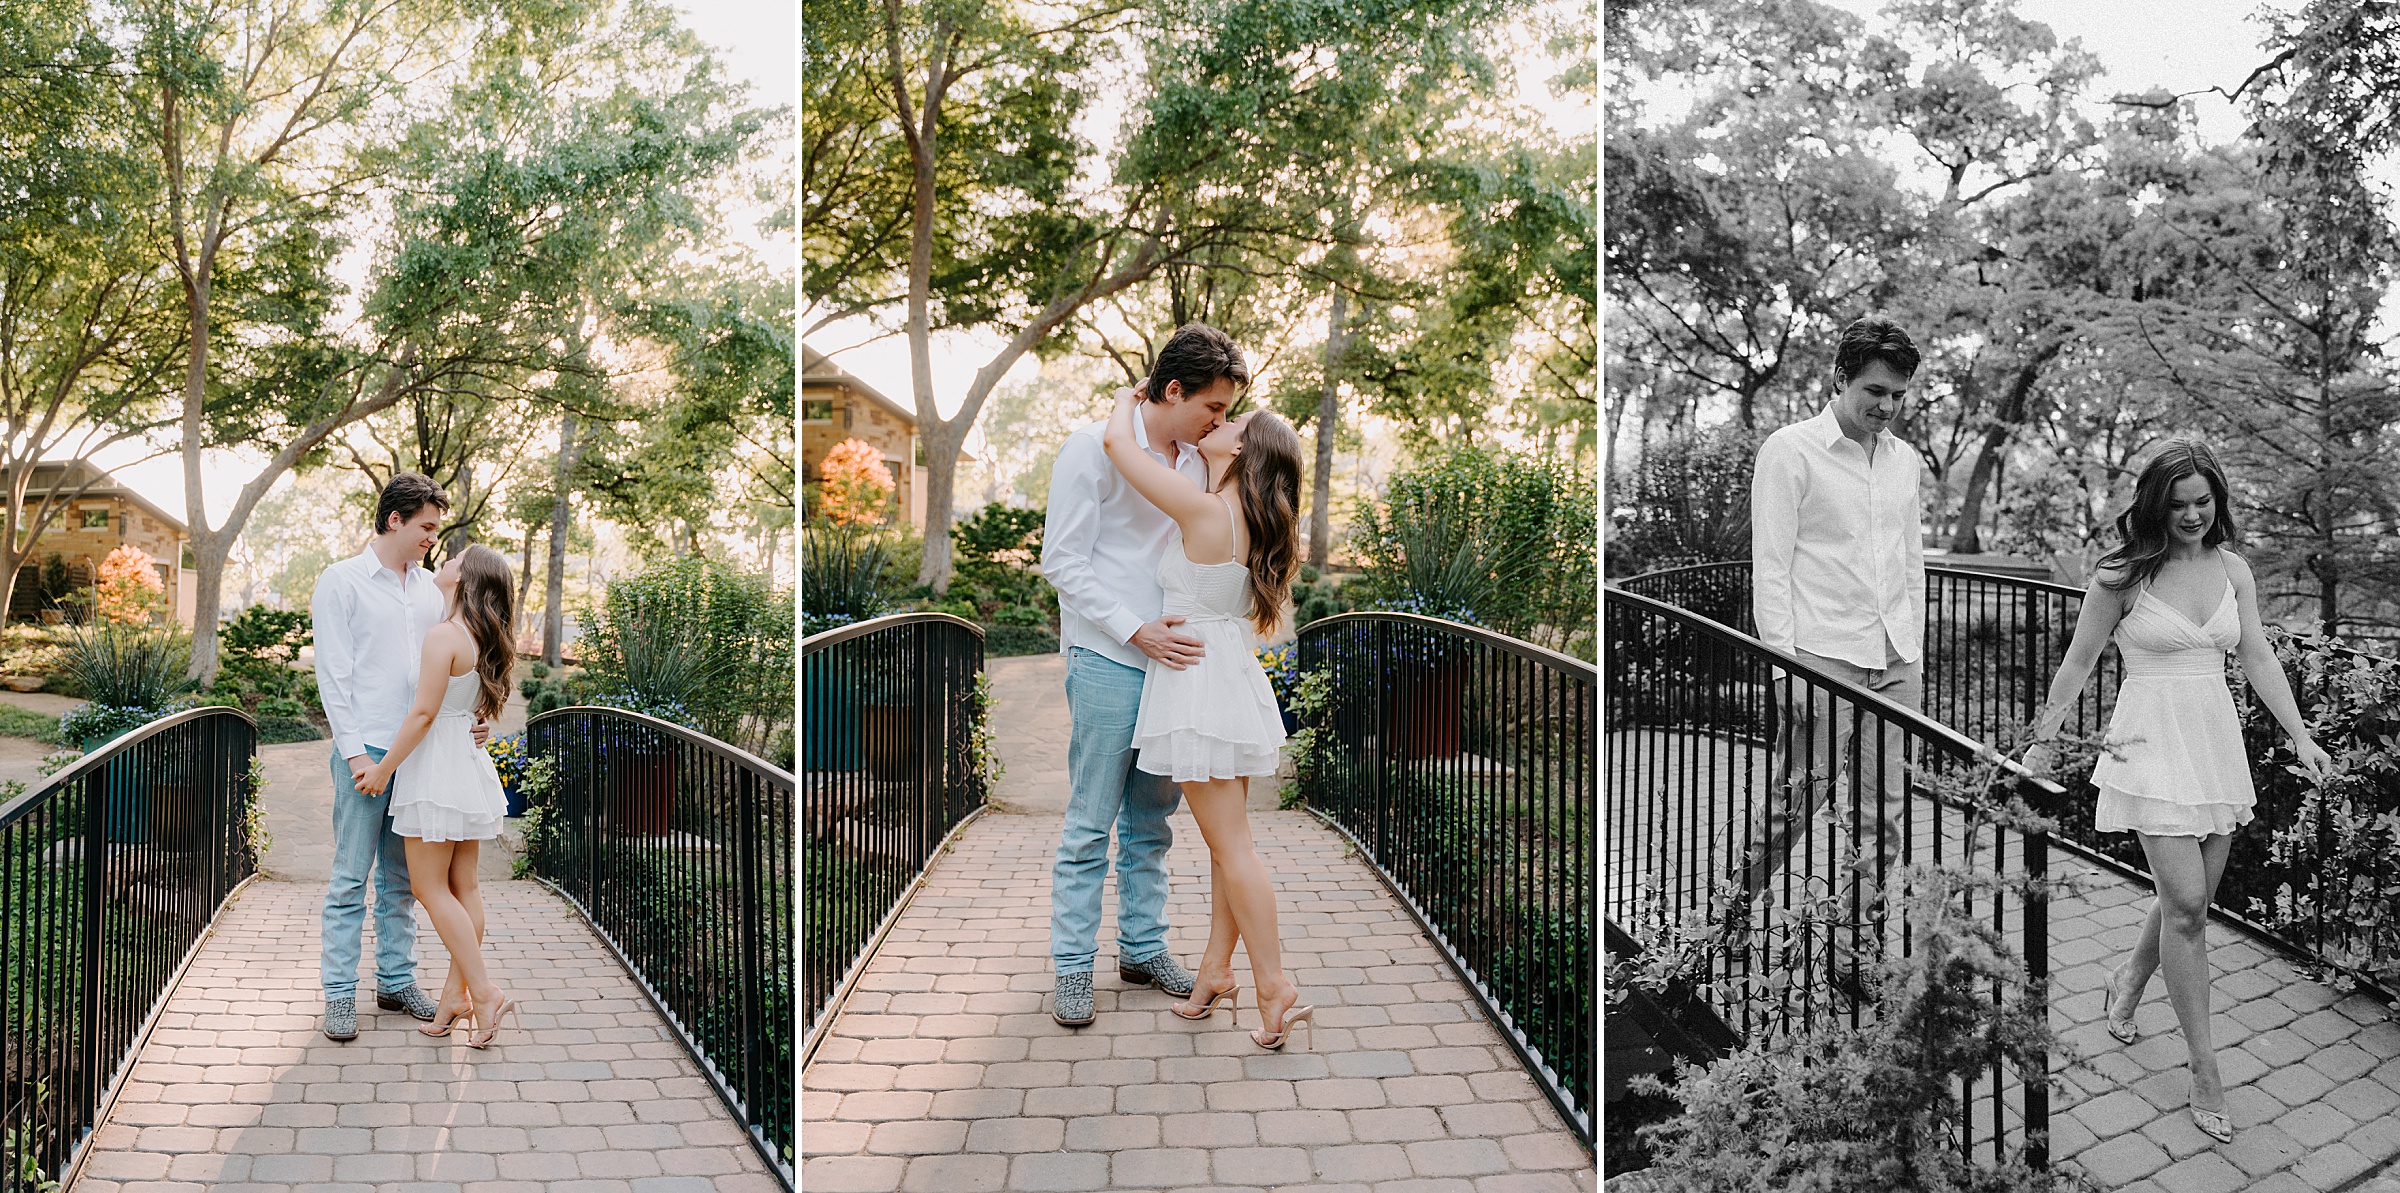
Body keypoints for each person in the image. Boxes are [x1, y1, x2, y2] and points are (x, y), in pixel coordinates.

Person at [2023, 441, 2330, 1143]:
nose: (2192, 514)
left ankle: (2130, 977)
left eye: (2204, 500)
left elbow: (2254, 653)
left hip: (2214, 743)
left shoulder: (2233, 570)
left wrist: (2301, 736)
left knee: (2185, 900)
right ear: (2155, 503)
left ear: (2218, 499)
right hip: (2150, 743)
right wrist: (2046, 739)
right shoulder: (2122, 574)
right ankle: (2204, 1065)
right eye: (2178, 502)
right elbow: (2077, 662)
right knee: (2189, 906)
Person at [1038, 323, 1245, 1027]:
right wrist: (1134, 628)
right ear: (1173, 389)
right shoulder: (1088, 449)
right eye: (1212, 407)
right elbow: (1062, 562)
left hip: (1175, 668)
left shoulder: (1194, 462)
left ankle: (1142, 948)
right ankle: (1072, 965)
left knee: (1153, 821)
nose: (1220, 422)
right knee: (1091, 821)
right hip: (1108, 656)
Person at [1100, 380, 1311, 1049]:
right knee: (1226, 849)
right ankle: (1217, 973)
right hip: (1225, 674)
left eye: (1232, 418)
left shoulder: (1207, 510)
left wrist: (1125, 399)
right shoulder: (1242, 515)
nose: (1220, 419)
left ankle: (1275, 985)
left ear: (1244, 449)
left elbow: (1115, 446)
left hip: (1197, 682)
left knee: (1233, 848)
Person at [1739, 317, 1927, 948]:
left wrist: (1915, 651)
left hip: (1895, 662)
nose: (1887, 406)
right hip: (1820, 660)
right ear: (1840, 377)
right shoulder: (1790, 451)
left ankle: (1858, 946)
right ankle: (1730, 913)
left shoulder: (1905, 463)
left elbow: (1909, 561)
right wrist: (1782, 666)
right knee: (1794, 804)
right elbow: (1772, 568)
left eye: (1898, 395)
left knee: (1885, 817)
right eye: (1875, 391)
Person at [311, 473, 485, 1040]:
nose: (433, 538)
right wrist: (356, 754)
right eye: (427, 527)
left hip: (423, 753)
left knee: (401, 881)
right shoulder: (341, 582)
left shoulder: (431, 588)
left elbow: (456, 662)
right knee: (348, 878)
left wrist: (471, 716)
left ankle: (395, 980)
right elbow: (334, 677)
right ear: (395, 520)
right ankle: (339, 992)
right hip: (367, 754)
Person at [357, 544, 519, 1047]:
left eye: (454, 558)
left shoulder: (443, 635)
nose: (444, 562)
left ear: (464, 578)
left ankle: (484, 991)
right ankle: (456, 997)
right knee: (464, 888)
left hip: (434, 768)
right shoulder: (479, 638)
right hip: (465, 766)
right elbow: (466, 708)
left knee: (429, 889)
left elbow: (423, 714)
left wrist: (383, 769)